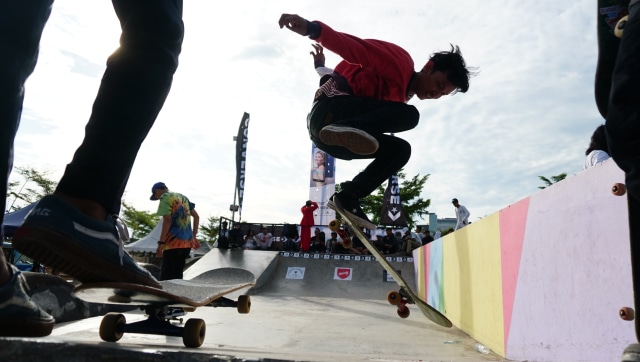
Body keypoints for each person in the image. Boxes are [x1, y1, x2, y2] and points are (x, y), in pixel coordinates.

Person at [0, 1, 184, 337]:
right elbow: (181, 219)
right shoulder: (174, 198)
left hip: (176, 242)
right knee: (154, 28)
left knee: (10, 29)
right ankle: (85, 207)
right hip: (176, 242)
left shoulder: (172, 198)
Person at [279, 13, 473, 229]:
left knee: (400, 150)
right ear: (428, 67)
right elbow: (356, 49)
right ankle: (348, 128)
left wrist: (319, 65)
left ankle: (349, 197)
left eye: (442, 94)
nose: (435, 94)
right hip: (331, 112)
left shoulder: (396, 99)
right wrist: (312, 29)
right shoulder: (400, 63)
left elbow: (328, 75)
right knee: (409, 115)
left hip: (328, 137)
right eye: (437, 84)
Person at [150, 182, 200, 281]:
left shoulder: (165, 197)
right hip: (186, 243)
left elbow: (167, 220)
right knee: (177, 276)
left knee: (166, 278)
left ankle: (165, 296)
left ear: (157, 191)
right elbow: (196, 216)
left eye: (156, 196)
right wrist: (193, 236)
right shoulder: (183, 197)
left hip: (173, 243)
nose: (158, 199)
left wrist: (161, 243)